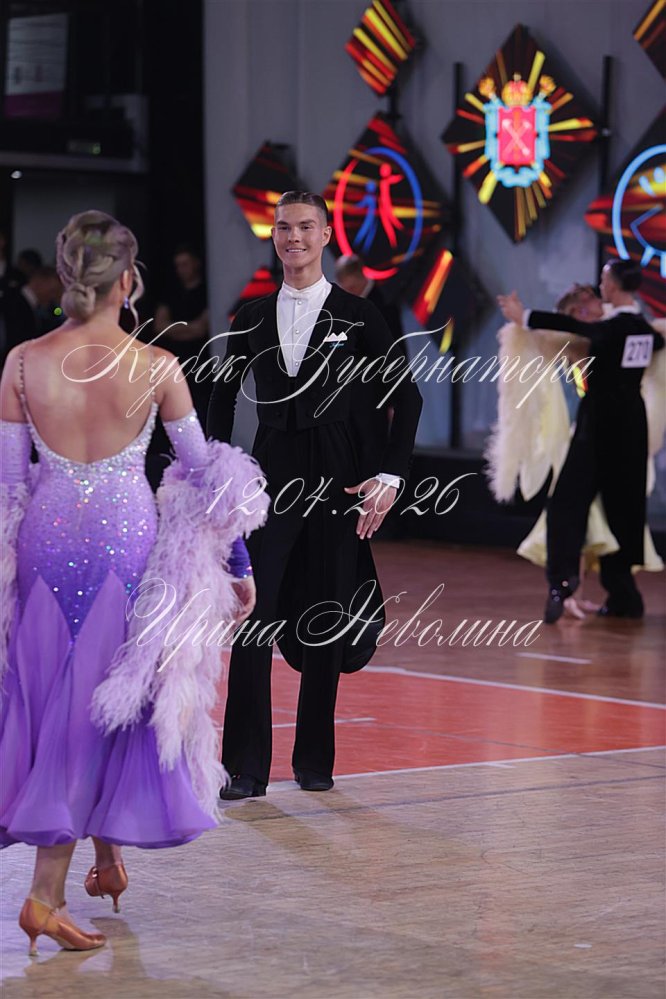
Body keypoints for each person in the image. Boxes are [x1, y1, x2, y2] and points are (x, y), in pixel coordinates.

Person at [0, 211, 268, 955]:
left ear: (66, 276)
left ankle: (107, 856)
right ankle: (43, 897)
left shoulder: (22, 362)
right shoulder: (157, 365)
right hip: (123, 545)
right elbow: (207, 477)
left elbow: (8, 485)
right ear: (126, 280)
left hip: (46, 544)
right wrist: (239, 566)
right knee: (104, 696)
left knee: (62, 692)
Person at [207, 191, 422, 799]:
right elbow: (221, 396)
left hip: (340, 480)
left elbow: (406, 396)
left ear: (327, 235)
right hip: (271, 481)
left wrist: (390, 477)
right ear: (274, 236)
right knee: (253, 619)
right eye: (284, 227)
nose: (293, 237)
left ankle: (314, 762)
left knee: (327, 617)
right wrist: (218, 469)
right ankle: (245, 767)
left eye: (306, 226)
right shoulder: (250, 315)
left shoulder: (359, 315)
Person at [498, 259, 665, 623]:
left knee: (567, 503)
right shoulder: (643, 330)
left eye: (603, 281)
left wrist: (524, 316)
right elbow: (651, 339)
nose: (600, 287)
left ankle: (563, 580)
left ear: (614, 286)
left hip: (600, 423)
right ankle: (624, 595)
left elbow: (579, 329)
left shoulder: (612, 329)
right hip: (632, 425)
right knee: (623, 510)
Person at [153, 244, 211, 422]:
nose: (181, 270)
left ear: (196, 263)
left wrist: (174, 328)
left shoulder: (208, 290)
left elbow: (201, 328)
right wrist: (189, 328)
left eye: (185, 264)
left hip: (202, 359)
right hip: (176, 359)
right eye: (178, 265)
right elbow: (159, 326)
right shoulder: (171, 293)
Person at [1, 266, 63, 366]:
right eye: (52, 291)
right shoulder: (15, 303)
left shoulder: (24, 303)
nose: (52, 297)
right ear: (39, 282)